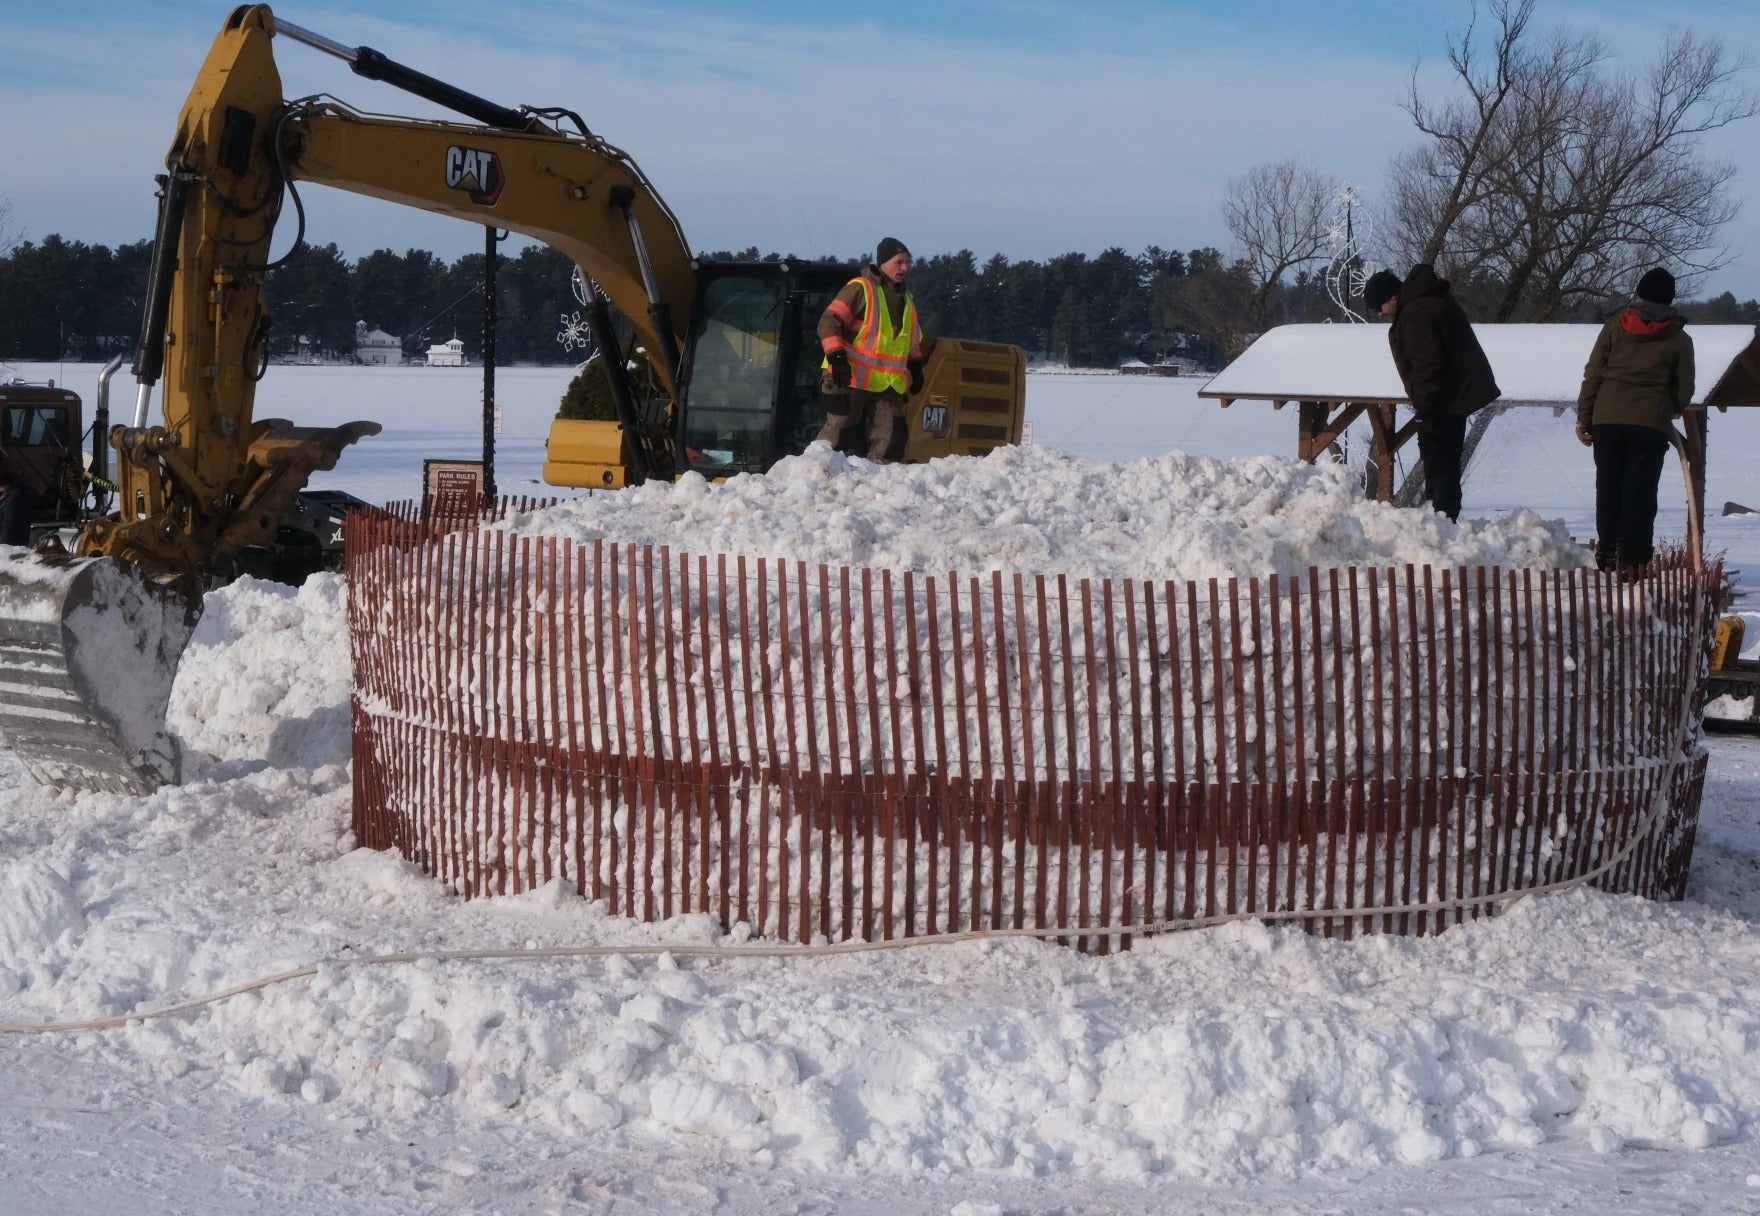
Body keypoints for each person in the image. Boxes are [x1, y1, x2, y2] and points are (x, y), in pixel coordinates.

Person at [1574, 267, 1694, 580]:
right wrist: (1673, 406)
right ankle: (1634, 561)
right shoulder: (1679, 339)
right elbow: (1684, 389)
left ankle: (1609, 552)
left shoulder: (1614, 327)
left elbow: (1593, 374)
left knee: (1609, 487)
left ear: (1639, 295)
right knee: (1639, 492)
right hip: (1649, 422)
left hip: (1608, 419)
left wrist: (1584, 418)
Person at [1361, 263, 1501, 521]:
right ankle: (1441, 520)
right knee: (1443, 465)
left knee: (1441, 466)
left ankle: (1442, 524)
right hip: (1451, 398)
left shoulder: (1415, 312)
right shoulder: (1427, 301)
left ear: (1391, 297)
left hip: (1444, 402)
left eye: (1378, 307)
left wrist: (1426, 410)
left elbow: (1428, 366)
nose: (1379, 314)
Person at [816, 236, 925, 462]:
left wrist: (915, 366)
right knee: (838, 434)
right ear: (883, 262)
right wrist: (837, 359)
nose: (904, 267)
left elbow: (911, 338)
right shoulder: (861, 289)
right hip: (849, 377)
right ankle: (816, 473)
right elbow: (828, 322)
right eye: (899, 262)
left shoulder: (906, 299)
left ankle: (881, 486)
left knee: (893, 435)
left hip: (886, 383)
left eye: (907, 262)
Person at [0, 469, 35, 547]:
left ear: (4, 485)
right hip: (18, 537)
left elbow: (8, 519)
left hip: (10, 540)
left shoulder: (12, 497)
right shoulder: (18, 493)